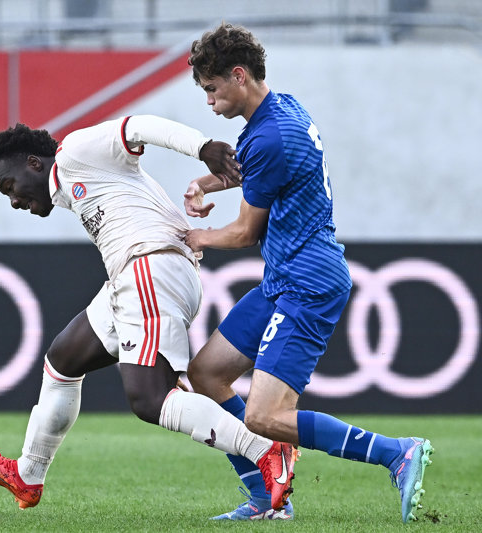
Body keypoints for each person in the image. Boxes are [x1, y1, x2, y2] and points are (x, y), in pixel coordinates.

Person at [0, 115, 297, 516]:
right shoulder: (73, 185)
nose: (14, 201)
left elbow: (139, 126)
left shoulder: (75, 152)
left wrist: (202, 147)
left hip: (149, 267)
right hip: (139, 274)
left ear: (34, 164)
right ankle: (29, 473)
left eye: (10, 187)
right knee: (62, 360)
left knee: (150, 400)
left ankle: (266, 449)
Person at [181, 22, 433, 523]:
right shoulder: (282, 109)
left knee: (266, 415)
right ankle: (267, 498)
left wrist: (196, 237)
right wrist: (204, 183)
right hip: (283, 278)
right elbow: (254, 168)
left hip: (308, 282)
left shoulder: (270, 136)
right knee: (206, 373)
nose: (208, 102)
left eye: (212, 89)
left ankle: (395, 452)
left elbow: (244, 233)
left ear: (238, 75)